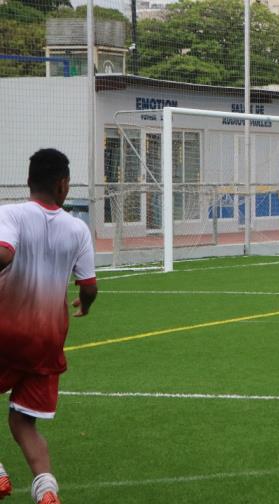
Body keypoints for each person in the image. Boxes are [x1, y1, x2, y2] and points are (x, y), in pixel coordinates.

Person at [0, 149, 98, 504]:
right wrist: (83, 306)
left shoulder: (9, 213)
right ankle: (46, 490)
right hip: (48, 339)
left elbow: (4, 252)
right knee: (23, 422)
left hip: (6, 332)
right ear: (62, 185)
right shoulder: (78, 229)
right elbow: (89, 287)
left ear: (29, 181)